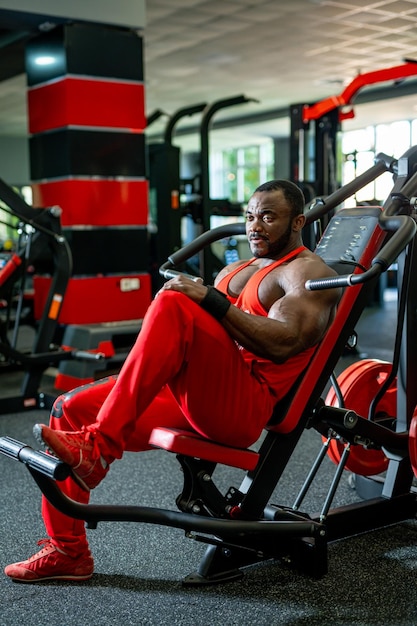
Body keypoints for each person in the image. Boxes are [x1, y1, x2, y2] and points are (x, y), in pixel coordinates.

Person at [4, 179, 340, 583]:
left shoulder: (307, 272)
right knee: (70, 408)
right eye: (251, 216)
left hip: (241, 406)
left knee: (175, 302)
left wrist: (208, 300)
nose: (255, 226)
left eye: (269, 217)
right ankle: (67, 552)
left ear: (298, 221)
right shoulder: (240, 267)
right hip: (196, 396)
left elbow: (285, 343)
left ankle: (100, 446)